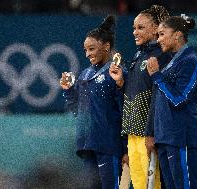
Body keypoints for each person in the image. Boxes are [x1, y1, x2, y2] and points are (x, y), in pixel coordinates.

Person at [109, 5, 171, 189]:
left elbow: (159, 96)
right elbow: (134, 91)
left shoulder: (161, 56)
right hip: (133, 131)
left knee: (152, 184)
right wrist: (121, 82)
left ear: (155, 29)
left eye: (141, 28)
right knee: (138, 183)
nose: (135, 32)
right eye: (134, 28)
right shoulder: (139, 55)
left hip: (148, 133)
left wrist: (151, 133)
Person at [60, 15, 124, 188]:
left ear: (106, 47)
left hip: (108, 144)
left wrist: (125, 147)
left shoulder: (116, 72)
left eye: (92, 49)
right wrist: (68, 91)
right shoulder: (85, 74)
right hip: (87, 144)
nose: (87, 54)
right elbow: (77, 110)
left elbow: (125, 110)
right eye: (85, 50)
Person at [146, 15, 197, 189]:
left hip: (181, 138)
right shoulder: (172, 63)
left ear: (177, 35)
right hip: (165, 138)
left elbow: (179, 99)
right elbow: (159, 101)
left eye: (162, 34)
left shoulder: (190, 61)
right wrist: (154, 133)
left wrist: (157, 76)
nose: (159, 39)